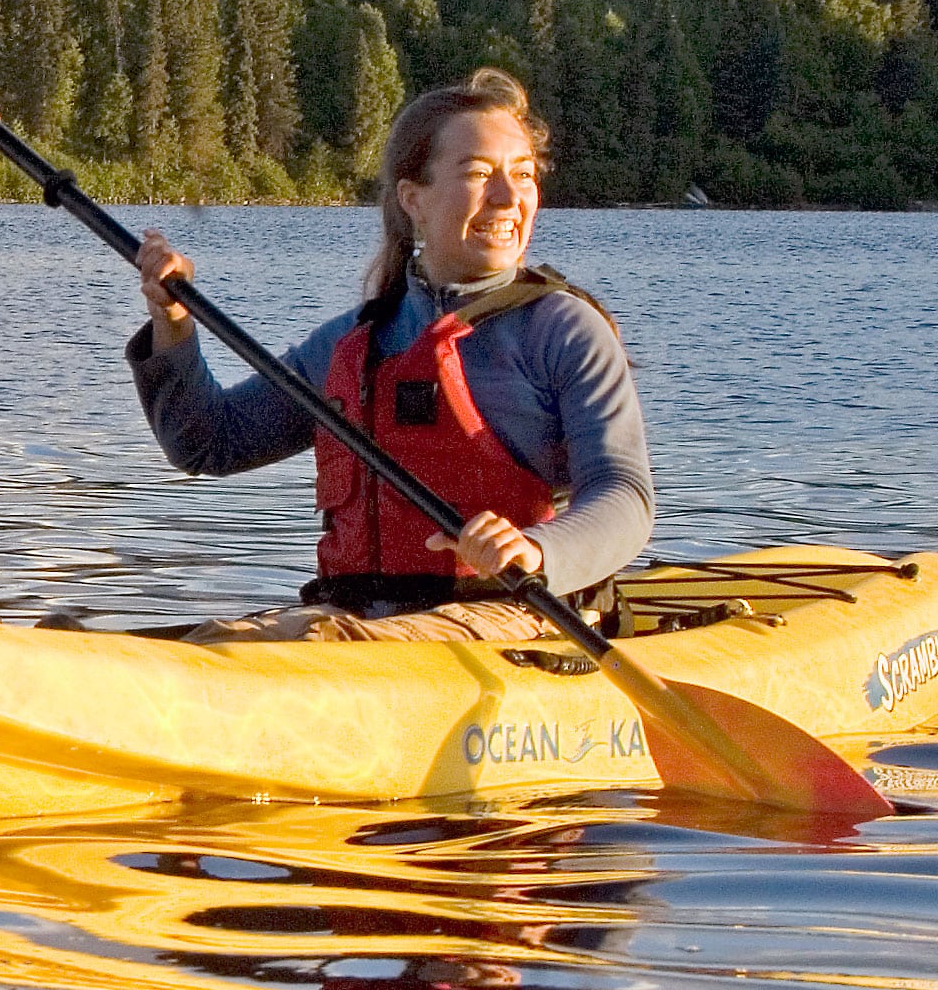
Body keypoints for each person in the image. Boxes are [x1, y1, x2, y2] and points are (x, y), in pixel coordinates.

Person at [129, 68, 651, 642]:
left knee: (301, 646)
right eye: (479, 174)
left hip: (517, 616)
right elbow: (209, 442)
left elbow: (623, 496)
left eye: (523, 175)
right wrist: (172, 321)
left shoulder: (564, 330)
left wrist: (535, 549)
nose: (508, 197)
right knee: (154, 646)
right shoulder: (354, 341)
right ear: (413, 199)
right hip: (353, 618)